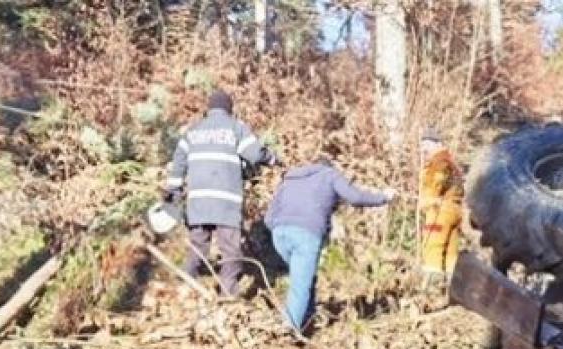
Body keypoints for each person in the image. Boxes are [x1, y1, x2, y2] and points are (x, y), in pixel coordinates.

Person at [164, 89, 277, 295]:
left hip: (198, 202)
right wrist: (271, 159)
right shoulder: (236, 127)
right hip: (226, 202)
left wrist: (174, 190)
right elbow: (253, 153)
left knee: (197, 247)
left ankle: (186, 287)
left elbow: (179, 162)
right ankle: (228, 294)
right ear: (229, 109)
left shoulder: (193, 130)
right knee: (230, 250)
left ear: (209, 109)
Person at [265, 157, 395, 335]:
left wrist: (277, 227)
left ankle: (307, 320)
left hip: (279, 234)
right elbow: (355, 197)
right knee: (300, 283)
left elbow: (268, 216)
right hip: (306, 233)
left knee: (303, 277)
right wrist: (383, 197)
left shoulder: (291, 179)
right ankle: (289, 329)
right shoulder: (329, 175)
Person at [417, 129, 464, 277]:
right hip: (455, 210)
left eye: (427, 144)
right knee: (451, 255)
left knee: (432, 248)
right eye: (422, 145)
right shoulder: (451, 162)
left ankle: (432, 289)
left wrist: (427, 201)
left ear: (437, 144)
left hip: (439, 212)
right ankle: (450, 289)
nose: (423, 149)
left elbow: (437, 182)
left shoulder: (439, 161)